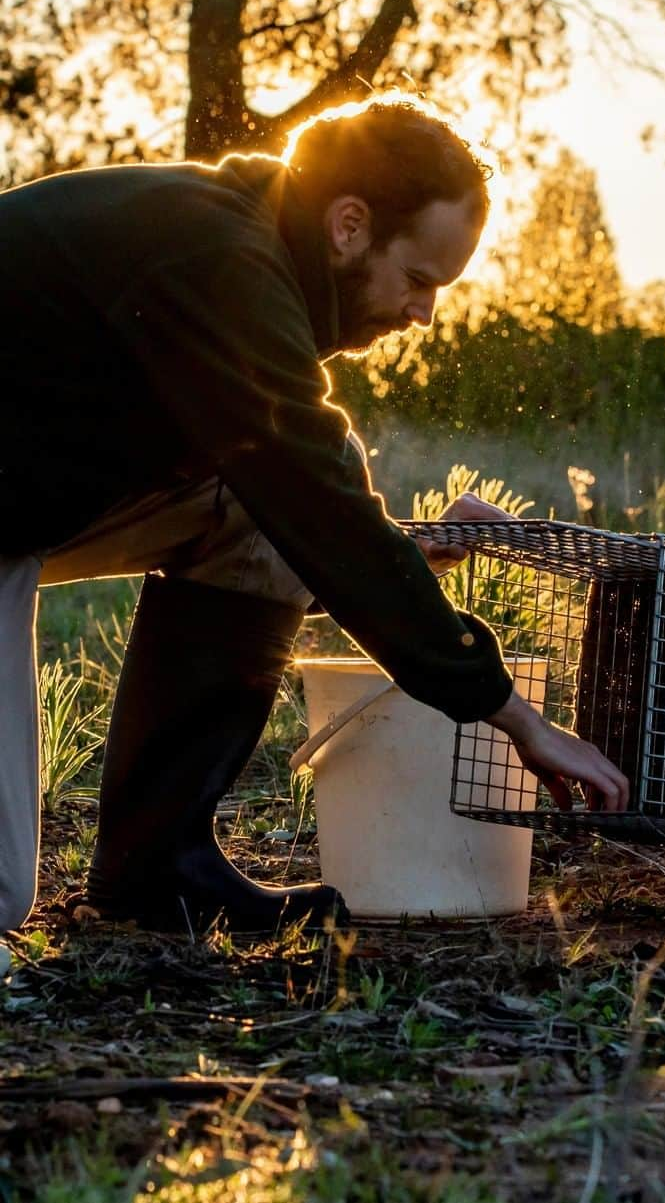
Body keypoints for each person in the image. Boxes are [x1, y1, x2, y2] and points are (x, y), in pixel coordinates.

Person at [0, 96, 629, 936]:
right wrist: (514, 714)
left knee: (256, 522)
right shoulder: (218, 255)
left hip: (19, 501)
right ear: (349, 225)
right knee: (0, 896)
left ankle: (157, 871)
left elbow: (296, 505)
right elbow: (313, 488)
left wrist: (400, 550)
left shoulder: (249, 241)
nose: (422, 313)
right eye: (417, 279)